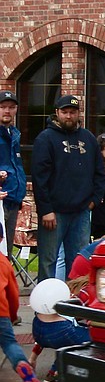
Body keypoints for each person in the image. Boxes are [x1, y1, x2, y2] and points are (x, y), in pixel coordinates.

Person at [31, 95, 105, 281]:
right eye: (64, 112)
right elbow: (40, 179)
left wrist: (94, 200)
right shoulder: (45, 139)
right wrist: (46, 210)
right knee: (48, 262)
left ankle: (73, 305)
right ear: (57, 113)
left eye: (72, 112)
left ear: (78, 113)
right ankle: (43, 308)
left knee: (78, 263)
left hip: (81, 212)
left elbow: (99, 173)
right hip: (54, 214)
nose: (69, 116)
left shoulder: (88, 138)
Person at [0, 255, 39, 382]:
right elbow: (13, 294)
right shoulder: (3, 262)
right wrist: (12, 315)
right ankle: (22, 364)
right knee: (10, 344)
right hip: (1, 312)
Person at [0, 90, 26, 261]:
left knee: (6, 251)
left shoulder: (14, 134)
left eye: (11, 107)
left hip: (12, 199)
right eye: (3, 107)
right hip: (1, 199)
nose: (7, 111)